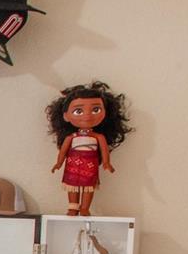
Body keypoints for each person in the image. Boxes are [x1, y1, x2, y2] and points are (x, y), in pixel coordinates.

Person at [47, 81, 133, 216]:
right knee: (73, 186)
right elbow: (63, 151)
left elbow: (104, 150)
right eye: (78, 111)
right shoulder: (71, 137)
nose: (87, 115)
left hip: (90, 164)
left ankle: (85, 208)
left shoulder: (98, 137)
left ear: (105, 113)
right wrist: (58, 163)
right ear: (66, 116)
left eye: (96, 110)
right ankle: (73, 207)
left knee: (88, 187)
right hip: (72, 163)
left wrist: (106, 163)